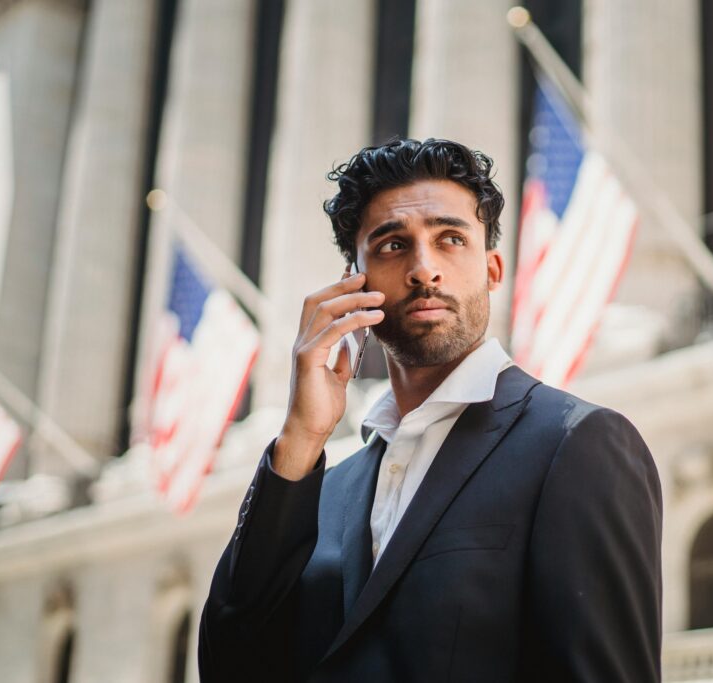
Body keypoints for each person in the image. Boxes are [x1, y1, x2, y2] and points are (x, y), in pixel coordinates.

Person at [198, 138, 662, 682]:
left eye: (450, 239)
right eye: (393, 245)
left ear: (491, 268)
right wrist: (300, 436)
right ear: (357, 281)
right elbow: (230, 664)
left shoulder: (577, 445)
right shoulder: (319, 488)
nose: (424, 270)